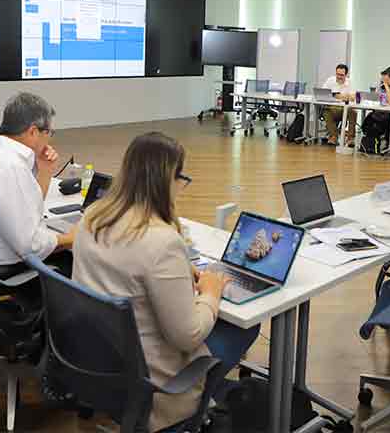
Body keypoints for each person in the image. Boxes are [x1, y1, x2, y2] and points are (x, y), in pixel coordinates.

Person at [73, 132, 260, 432]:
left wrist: (180, 268)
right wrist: (210, 294)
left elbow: (130, 265)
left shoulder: (92, 218)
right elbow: (187, 336)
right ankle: (202, 407)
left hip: (101, 367)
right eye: (181, 178)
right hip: (157, 388)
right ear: (167, 180)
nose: (182, 187)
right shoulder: (161, 242)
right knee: (245, 326)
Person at [0, 92, 72, 281]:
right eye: (49, 133)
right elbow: (30, 246)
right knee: (75, 256)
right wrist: (71, 238)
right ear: (33, 132)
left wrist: (44, 171)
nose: (49, 139)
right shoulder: (10, 167)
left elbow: (30, 210)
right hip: (5, 268)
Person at [360, 67, 390, 153]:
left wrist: (386, 87)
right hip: (381, 113)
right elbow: (377, 99)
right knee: (369, 120)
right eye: (383, 79)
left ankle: (389, 144)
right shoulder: (380, 86)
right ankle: (370, 144)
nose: (384, 81)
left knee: (381, 121)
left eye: (386, 79)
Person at [320, 63, 357, 146]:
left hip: (345, 109)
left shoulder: (349, 82)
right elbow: (323, 93)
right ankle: (333, 137)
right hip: (332, 108)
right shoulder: (330, 80)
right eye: (337, 74)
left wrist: (336, 95)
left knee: (353, 112)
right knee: (326, 111)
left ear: (346, 75)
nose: (339, 76)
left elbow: (352, 97)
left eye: (341, 75)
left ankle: (350, 138)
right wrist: (341, 96)